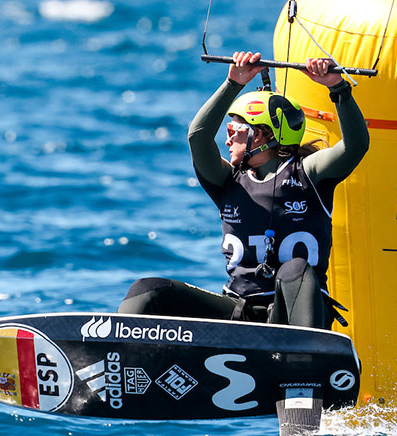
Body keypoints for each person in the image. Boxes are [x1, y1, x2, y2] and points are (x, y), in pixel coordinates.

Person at [118, 51, 369, 330]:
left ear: (260, 135)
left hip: (294, 318)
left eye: (234, 130)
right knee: (149, 290)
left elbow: (354, 146)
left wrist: (338, 87)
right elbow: (198, 137)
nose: (227, 138)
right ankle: (118, 358)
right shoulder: (228, 181)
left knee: (294, 270)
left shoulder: (308, 173)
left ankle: (306, 359)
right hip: (239, 313)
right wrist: (233, 83)